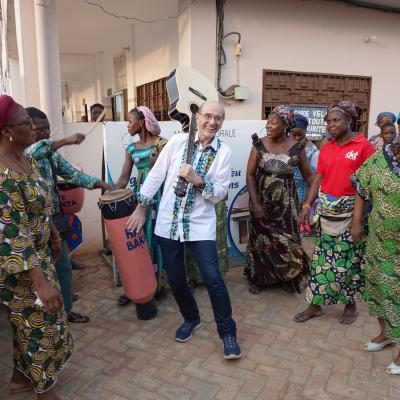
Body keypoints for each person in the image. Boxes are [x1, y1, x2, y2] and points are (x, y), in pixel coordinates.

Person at [127, 101, 242, 359]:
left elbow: (220, 193)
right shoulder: (178, 142)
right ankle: (191, 318)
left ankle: (227, 333)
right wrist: (141, 207)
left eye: (218, 118)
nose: (212, 122)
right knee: (177, 279)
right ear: (197, 117)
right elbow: (156, 175)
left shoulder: (224, 153)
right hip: (168, 224)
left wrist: (198, 181)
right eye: (208, 116)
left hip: (200, 226)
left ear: (222, 123)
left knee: (213, 279)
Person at [0, 95, 72, 399]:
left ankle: (20, 378)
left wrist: (54, 233)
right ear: (7, 131)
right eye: (25, 123)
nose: (34, 127)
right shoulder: (2, 175)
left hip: (39, 257)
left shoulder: (26, 159)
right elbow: (11, 235)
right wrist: (40, 282)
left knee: (30, 324)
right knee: (40, 328)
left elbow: (41, 203)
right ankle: (46, 392)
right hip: (20, 268)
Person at [26, 107, 112, 323]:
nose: (46, 133)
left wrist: (102, 184)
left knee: (63, 265)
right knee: (40, 271)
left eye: (48, 129)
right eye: (41, 129)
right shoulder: (23, 154)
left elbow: (73, 174)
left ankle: (66, 309)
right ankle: (46, 315)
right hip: (32, 224)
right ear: (28, 129)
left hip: (55, 219)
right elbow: (36, 150)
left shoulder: (51, 154)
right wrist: (66, 141)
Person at [294, 100, 375, 324]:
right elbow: (319, 176)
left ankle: (350, 305)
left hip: (352, 214)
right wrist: (307, 205)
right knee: (322, 260)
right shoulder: (327, 147)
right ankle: (315, 305)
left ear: (349, 120)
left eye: (336, 120)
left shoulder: (364, 146)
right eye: (328, 121)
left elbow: (366, 186)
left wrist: (358, 221)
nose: (331, 125)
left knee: (350, 261)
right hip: (327, 213)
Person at [244, 105, 314, 294]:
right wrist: (256, 204)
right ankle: (259, 279)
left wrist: (312, 201)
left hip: (286, 206)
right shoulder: (258, 144)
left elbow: (309, 176)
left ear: (285, 125)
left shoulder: (297, 147)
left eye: (274, 122)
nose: (268, 125)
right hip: (261, 203)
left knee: (288, 241)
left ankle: (285, 276)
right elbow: (250, 175)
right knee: (260, 240)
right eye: (268, 122)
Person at [351, 137, 400, 374]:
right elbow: (361, 187)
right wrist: (356, 221)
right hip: (380, 242)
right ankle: (386, 334)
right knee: (379, 287)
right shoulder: (382, 156)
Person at [115, 106, 168, 305]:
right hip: (140, 200)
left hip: (160, 198)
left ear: (142, 122)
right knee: (139, 241)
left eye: (130, 121)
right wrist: (109, 197)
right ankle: (137, 286)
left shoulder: (162, 145)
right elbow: (123, 179)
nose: (128, 126)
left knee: (158, 239)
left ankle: (159, 285)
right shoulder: (131, 149)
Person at [186, 197, 229, 289]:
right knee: (193, 239)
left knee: (216, 240)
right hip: (193, 202)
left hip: (216, 202)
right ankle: (193, 278)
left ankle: (216, 278)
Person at [292, 114, 319, 211]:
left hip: (304, 198)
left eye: (300, 135)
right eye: (293, 134)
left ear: (306, 132)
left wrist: (308, 204)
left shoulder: (313, 152)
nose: (296, 138)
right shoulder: (284, 147)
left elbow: (314, 180)